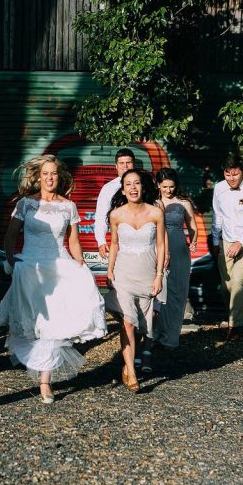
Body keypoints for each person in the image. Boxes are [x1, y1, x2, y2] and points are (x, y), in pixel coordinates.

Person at [0, 155, 107, 404]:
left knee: (54, 324)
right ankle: (35, 361)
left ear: (59, 177)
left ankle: (45, 382)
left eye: (54, 173)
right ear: (38, 176)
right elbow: (11, 235)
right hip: (32, 268)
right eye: (45, 173)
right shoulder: (26, 204)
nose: (49, 178)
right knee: (35, 323)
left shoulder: (68, 206)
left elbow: (73, 241)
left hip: (59, 266)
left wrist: (81, 265)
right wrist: (12, 260)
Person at [105, 169, 165, 391]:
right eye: (128, 184)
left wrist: (159, 275)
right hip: (123, 274)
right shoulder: (116, 215)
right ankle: (131, 371)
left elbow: (161, 245)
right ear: (123, 190)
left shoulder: (156, 212)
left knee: (142, 326)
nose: (133, 188)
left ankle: (128, 363)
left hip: (147, 274)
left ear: (142, 186)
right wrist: (109, 270)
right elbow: (114, 244)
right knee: (128, 322)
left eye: (137, 183)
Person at [211, 154, 243, 341]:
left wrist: (241, 241)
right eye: (228, 174)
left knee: (238, 282)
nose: (231, 178)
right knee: (226, 286)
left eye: (235, 174)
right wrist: (215, 241)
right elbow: (217, 217)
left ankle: (235, 326)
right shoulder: (219, 188)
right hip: (226, 241)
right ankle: (232, 319)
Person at [152, 167, 198, 356]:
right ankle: (155, 332)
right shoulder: (153, 202)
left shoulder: (184, 202)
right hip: (159, 247)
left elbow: (192, 225)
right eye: (164, 186)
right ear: (158, 185)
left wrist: (193, 241)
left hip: (179, 248)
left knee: (178, 292)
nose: (168, 190)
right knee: (161, 291)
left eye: (171, 186)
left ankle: (171, 336)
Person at [94, 148, 136, 261]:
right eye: (121, 163)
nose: (125, 166)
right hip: (118, 241)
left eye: (128, 162)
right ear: (116, 166)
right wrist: (101, 241)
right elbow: (101, 216)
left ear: (134, 164)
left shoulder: (144, 185)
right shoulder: (108, 188)